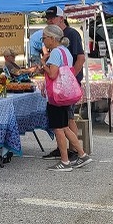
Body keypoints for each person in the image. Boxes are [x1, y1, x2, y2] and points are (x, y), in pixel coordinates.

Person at [40, 24, 93, 171]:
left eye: (44, 38)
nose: (43, 41)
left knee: (58, 128)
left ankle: (65, 161)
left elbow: (52, 74)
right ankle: (82, 154)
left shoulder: (56, 52)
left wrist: (43, 63)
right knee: (65, 127)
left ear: (51, 38)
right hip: (65, 94)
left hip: (56, 95)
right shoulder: (65, 52)